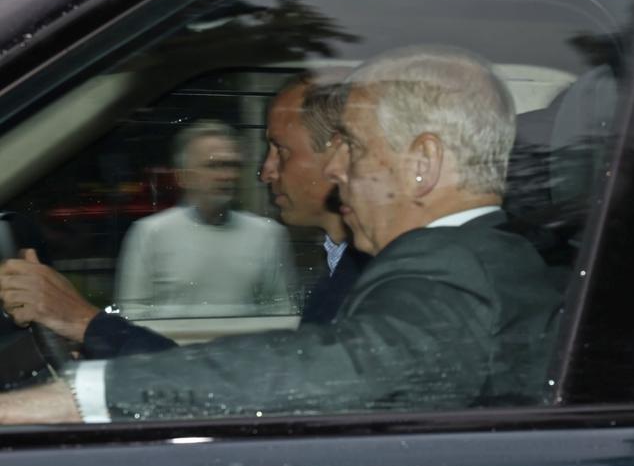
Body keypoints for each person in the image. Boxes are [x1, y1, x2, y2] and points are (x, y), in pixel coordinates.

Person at [0, 46, 563, 423]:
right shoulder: (477, 256)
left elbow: (336, 369)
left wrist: (67, 401)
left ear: (422, 165)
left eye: (355, 148)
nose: (336, 169)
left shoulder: (454, 269)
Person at [0, 72, 371, 359]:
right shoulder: (343, 268)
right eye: (213, 166)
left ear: (337, 156)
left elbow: (264, 390)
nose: (264, 172)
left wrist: (83, 321)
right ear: (184, 176)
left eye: (281, 150)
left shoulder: (370, 281)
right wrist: (92, 332)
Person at [113, 120, 295, 319]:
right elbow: (132, 316)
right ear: (183, 177)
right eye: (213, 165)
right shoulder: (150, 233)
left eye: (232, 165)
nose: (227, 175)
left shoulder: (268, 234)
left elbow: (282, 312)